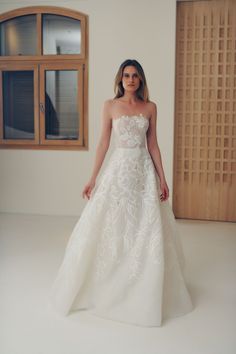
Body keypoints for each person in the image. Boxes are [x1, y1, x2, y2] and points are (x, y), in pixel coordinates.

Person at [48, 59, 193, 327]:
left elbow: (153, 144)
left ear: (141, 80)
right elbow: (104, 141)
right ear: (120, 79)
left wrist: (163, 178)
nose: (130, 79)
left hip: (143, 173)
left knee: (144, 227)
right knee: (114, 225)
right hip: (119, 171)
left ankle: (142, 280)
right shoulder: (110, 106)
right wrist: (92, 178)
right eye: (126, 75)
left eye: (135, 75)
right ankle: (112, 277)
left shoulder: (150, 107)